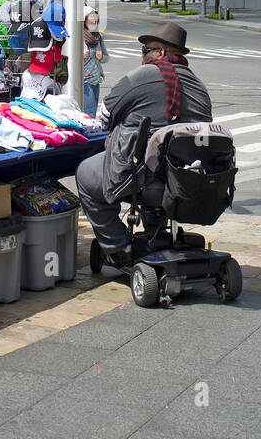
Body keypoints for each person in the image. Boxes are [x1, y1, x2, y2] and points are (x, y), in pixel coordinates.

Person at [75, 21, 212, 264]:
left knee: (86, 175)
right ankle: (154, 232)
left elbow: (104, 116)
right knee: (156, 168)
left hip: (140, 174)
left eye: (145, 50)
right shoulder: (198, 86)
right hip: (186, 178)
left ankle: (118, 246)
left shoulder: (143, 76)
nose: (143, 56)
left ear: (160, 52)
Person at [82, 7, 108, 117]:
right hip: (84, 80)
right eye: (91, 20)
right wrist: (81, 56)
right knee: (89, 112)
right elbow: (69, 57)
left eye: (96, 20)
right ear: (84, 21)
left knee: (91, 111)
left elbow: (106, 57)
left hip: (96, 79)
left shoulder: (98, 37)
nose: (94, 23)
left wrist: (101, 57)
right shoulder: (78, 36)